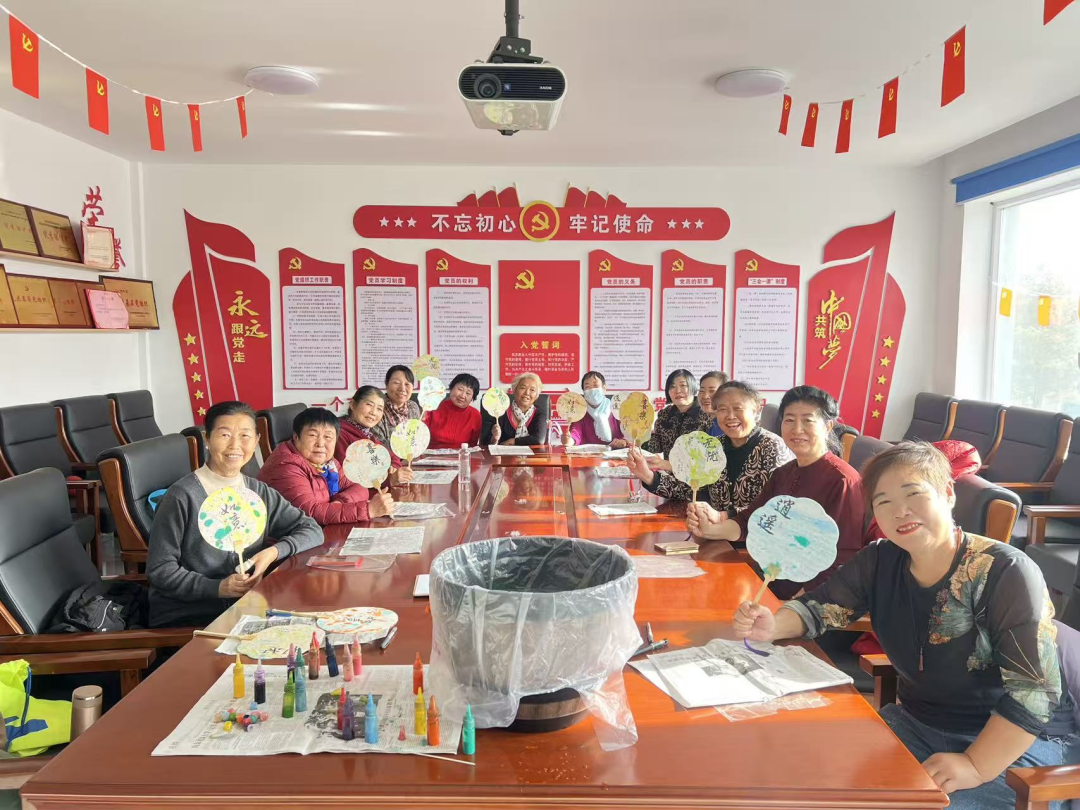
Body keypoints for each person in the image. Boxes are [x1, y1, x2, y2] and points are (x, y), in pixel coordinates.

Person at [732, 441, 1073, 810]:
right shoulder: (880, 560)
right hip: (916, 724)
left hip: (1014, 743)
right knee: (811, 780)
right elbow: (819, 607)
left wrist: (976, 765)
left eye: (914, 493)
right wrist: (773, 625)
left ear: (948, 493)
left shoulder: (1005, 570)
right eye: (884, 502)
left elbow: (1034, 693)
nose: (900, 511)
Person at [147, 401, 323, 628]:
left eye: (245, 436)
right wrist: (217, 588)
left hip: (248, 606)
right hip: (193, 615)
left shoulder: (257, 491)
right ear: (207, 439)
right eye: (225, 435)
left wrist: (273, 552)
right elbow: (160, 569)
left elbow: (312, 530)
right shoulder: (182, 496)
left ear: (256, 441)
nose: (235, 445)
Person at [686, 385, 863, 598]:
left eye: (807, 420)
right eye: (789, 420)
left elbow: (845, 557)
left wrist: (797, 602)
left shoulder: (843, 481)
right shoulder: (783, 473)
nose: (797, 429)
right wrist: (708, 530)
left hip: (810, 596)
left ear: (827, 426)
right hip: (769, 580)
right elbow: (750, 521)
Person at [628, 380, 792, 512]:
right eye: (722, 409)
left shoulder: (772, 447)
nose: (730, 416)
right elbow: (691, 488)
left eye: (738, 408)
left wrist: (722, 518)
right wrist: (648, 476)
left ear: (756, 411)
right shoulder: (714, 446)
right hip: (713, 533)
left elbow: (777, 507)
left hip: (752, 539)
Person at [259, 407, 393, 525]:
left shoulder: (328, 463)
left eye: (328, 437)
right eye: (312, 435)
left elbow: (358, 486)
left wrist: (340, 503)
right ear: (296, 437)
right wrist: (368, 510)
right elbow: (309, 513)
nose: (320, 444)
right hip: (289, 540)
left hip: (320, 531)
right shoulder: (285, 465)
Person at [335, 386, 412, 485]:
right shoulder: (340, 434)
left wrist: (392, 469)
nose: (374, 412)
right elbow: (351, 477)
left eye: (379, 409)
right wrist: (389, 479)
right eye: (369, 405)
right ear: (353, 405)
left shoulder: (368, 435)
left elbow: (393, 458)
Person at [643, 369, 711, 458]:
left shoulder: (706, 414)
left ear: (693, 387)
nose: (678, 391)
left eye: (683, 385)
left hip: (698, 467)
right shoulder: (665, 414)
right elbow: (656, 445)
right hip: (667, 467)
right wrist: (641, 437)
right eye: (672, 387)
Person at [561, 371, 627, 449]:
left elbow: (627, 433)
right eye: (587, 387)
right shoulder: (581, 412)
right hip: (589, 454)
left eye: (595, 385)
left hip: (615, 453)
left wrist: (624, 441)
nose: (592, 390)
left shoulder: (616, 408)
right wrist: (569, 440)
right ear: (584, 392)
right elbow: (576, 432)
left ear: (604, 388)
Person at [485, 372, 551, 446]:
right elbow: (486, 442)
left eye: (532, 390)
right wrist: (494, 438)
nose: (527, 393)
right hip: (504, 453)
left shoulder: (539, 414)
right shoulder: (501, 411)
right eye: (523, 388)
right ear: (514, 390)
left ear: (536, 395)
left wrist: (513, 441)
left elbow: (538, 439)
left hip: (532, 454)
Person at [424, 373, 482, 449]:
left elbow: (472, 446)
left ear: (472, 398)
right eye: (460, 389)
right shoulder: (433, 406)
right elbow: (421, 437)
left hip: (461, 455)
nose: (462, 396)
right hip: (431, 454)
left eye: (468, 393)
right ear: (451, 388)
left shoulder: (475, 415)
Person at [370, 365, 422, 447]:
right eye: (396, 383)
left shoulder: (413, 406)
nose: (402, 388)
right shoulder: (378, 408)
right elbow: (379, 445)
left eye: (407, 384)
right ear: (386, 384)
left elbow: (417, 436)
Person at [698, 370, 730, 438]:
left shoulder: (729, 425)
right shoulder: (712, 424)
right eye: (702, 391)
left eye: (712, 391)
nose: (705, 396)